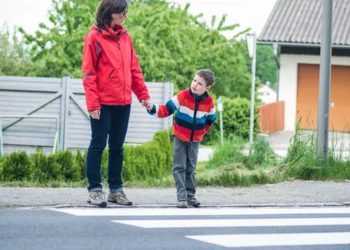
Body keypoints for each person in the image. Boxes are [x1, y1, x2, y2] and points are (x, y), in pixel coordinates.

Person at [82, 0, 150, 207]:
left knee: (117, 148)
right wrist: (93, 104)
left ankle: (116, 190)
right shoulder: (94, 37)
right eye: (122, 12)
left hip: (123, 102)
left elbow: (134, 69)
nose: (124, 16)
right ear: (111, 13)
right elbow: (89, 73)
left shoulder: (125, 38)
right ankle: (95, 190)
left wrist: (143, 95)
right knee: (97, 145)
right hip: (102, 103)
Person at [146, 69, 216, 208]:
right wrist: (151, 107)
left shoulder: (209, 102)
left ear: (207, 88)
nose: (195, 84)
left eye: (200, 83)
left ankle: (191, 196)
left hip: (195, 141)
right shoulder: (182, 96)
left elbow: (210, 120)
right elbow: (165, 109)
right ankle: (182, 197)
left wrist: (200, 133)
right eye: (194, 80)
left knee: (191, 168)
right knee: (179, 167)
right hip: (180, 138)